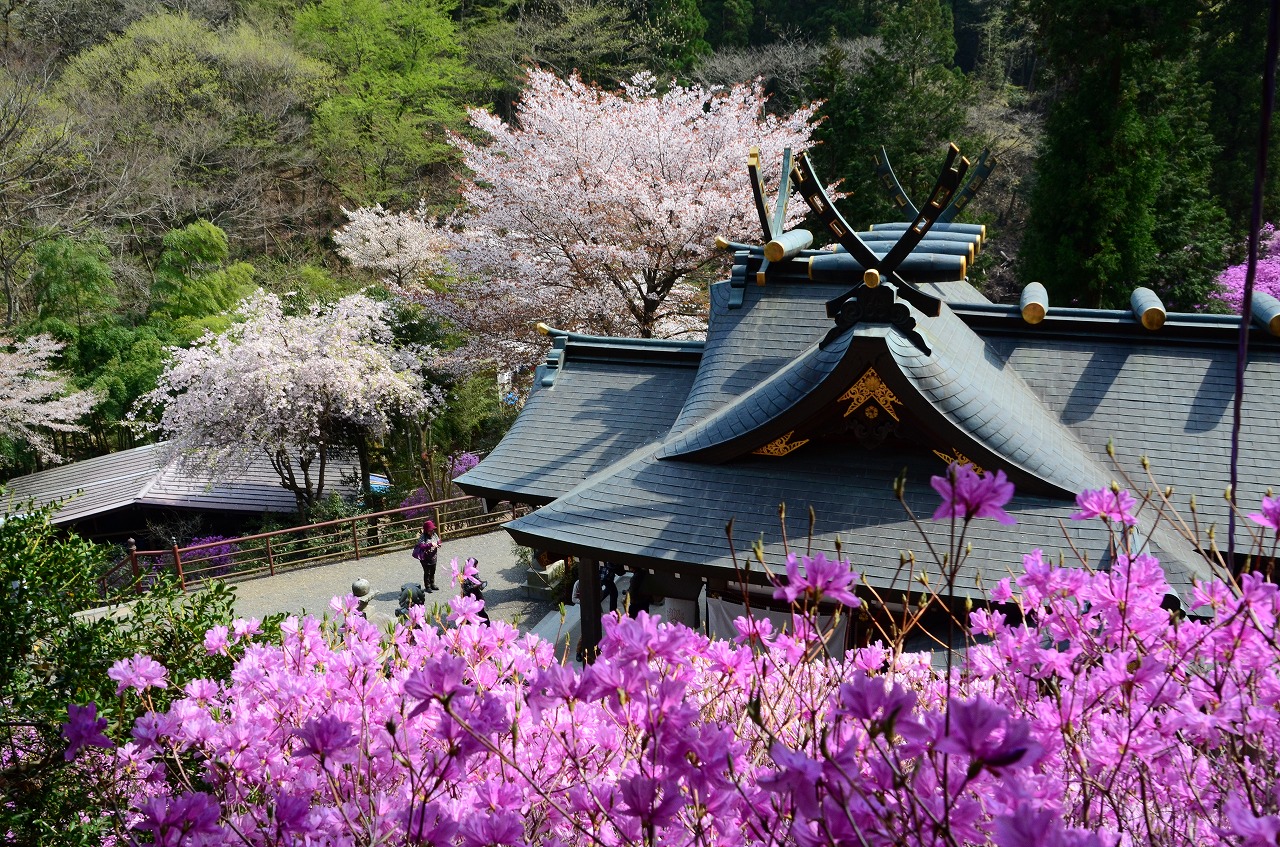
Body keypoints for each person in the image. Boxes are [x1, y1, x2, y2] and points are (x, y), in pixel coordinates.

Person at [461, 557, 491, 625]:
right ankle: (465, 626)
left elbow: (477, 579)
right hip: (468, 596)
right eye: (475, 565)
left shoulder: (474, 571)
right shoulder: (464, 575)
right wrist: (477, 585)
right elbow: (467, 588)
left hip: (476, 593)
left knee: (481, 610)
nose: (476, 567)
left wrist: (481, 583)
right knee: (467, 612)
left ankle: (487, 625)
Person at [412, 520, 441, 591]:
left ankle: (432, 584)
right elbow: (421, 545)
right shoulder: (423, 537)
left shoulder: (434, 534)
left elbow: (438, 540)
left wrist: (439, 544)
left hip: (433, 557)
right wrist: (430, 544)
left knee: (433, 571)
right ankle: (427, 586)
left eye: (432, 530)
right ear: (426, 530)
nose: (431, 532)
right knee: (427, 572)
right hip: (425, 558)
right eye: (430, 530)